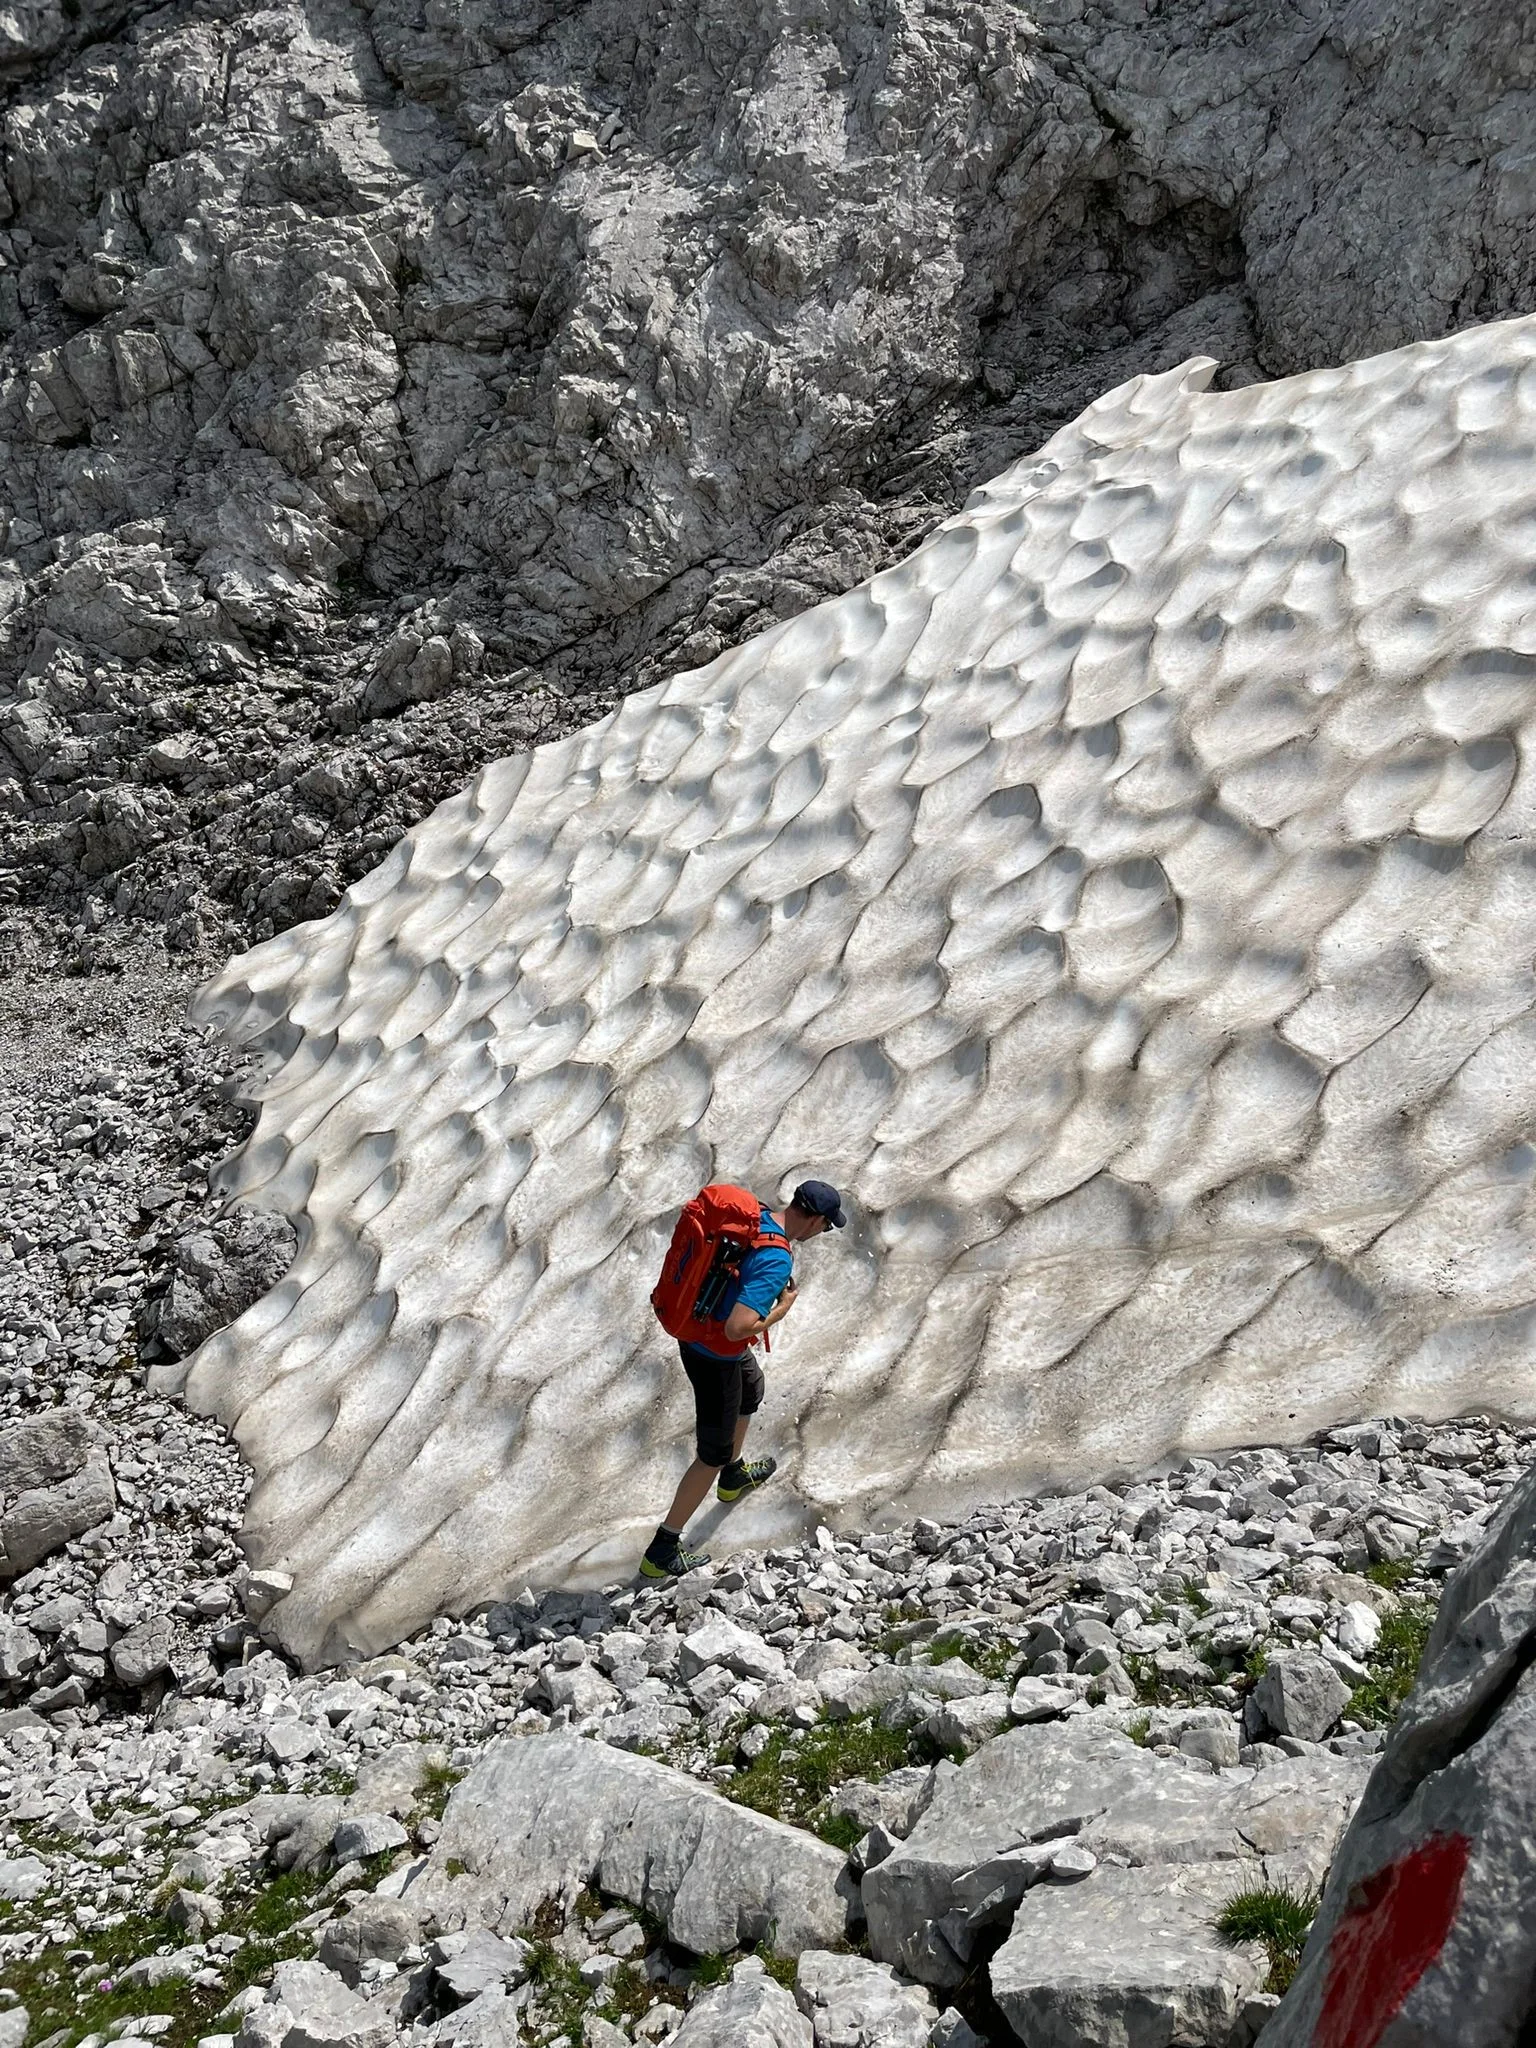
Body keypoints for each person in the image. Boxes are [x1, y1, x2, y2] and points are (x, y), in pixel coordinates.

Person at [640, 1178, 846, 1579]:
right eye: (827, 1226)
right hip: (714, 1354)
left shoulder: (760, 1216)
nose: (824, 1233)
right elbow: (739, 1328)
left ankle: (733, 1476)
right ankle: (662, 1549)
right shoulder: (776, 1258)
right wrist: (782, 1309)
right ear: (816, 1220)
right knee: (710, 1455)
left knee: (752, 1388)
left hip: (697, 1333)